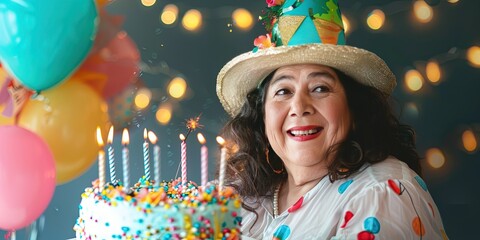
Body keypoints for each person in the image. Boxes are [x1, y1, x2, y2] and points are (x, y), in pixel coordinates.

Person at [215, 0, 447, 239]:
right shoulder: (243, 198)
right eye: (283, 91)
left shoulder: (381, 193)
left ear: (354, 106)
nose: (299, 107)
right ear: (261, 116)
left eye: (320, 88)